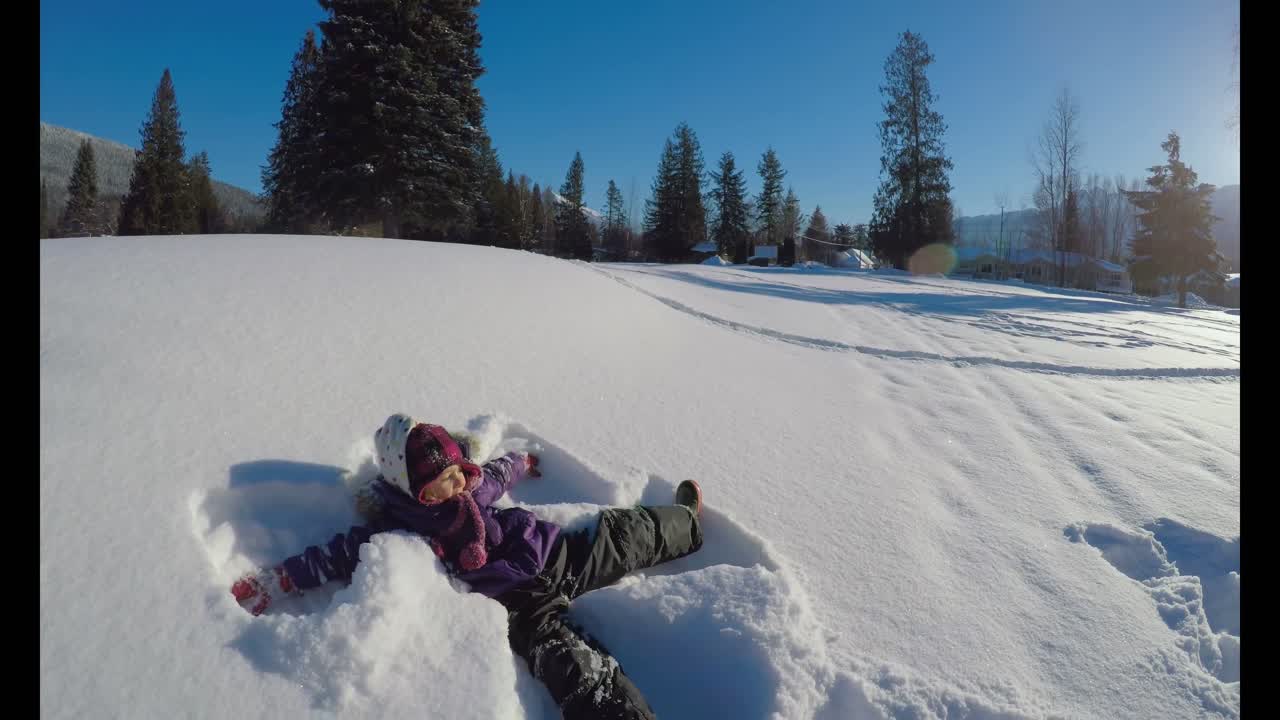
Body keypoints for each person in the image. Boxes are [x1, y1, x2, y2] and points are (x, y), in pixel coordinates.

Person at [231, 413, 703, 719]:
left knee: (623, 534)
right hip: (519, 607)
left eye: (457, 473)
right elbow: (335, 555)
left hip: (554, 553)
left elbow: (497, 473)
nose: (455, 486)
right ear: (411, 490)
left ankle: (685, 523)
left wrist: (522, 461)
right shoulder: (401, 528)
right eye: (439, 484)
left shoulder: (474, 485)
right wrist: (283, 578)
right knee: (580, 675)